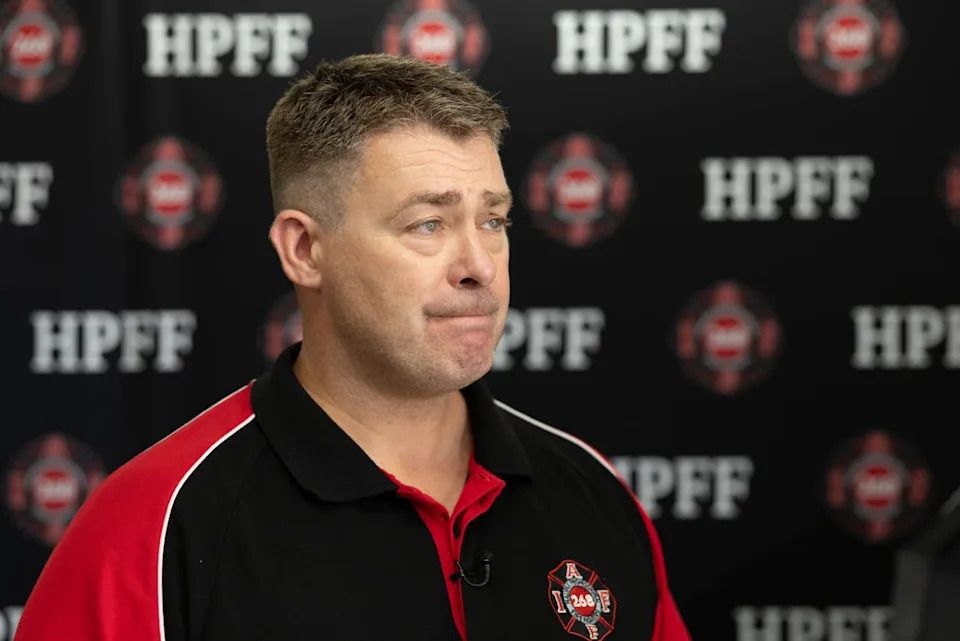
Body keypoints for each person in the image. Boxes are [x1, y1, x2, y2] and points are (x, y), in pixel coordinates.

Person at [15, 54, 689, 641]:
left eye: (493, 220)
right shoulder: (153, 524)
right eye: (428, 224)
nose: (480, 266)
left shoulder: (593, 491)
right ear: (305, 249)